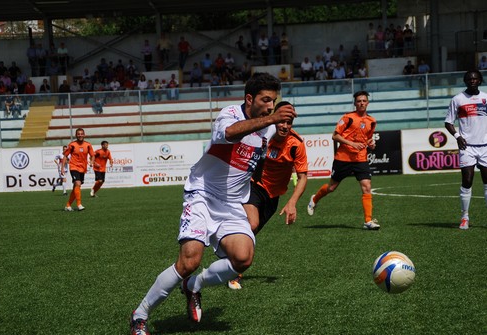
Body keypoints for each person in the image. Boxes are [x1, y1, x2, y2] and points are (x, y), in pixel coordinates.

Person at [129, 72, 297, 335]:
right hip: (202, 195)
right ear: (249, 98)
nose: (269, 105)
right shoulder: (230, 114)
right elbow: (229, 134)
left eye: (273, 101)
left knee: (243, 258)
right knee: (188, 262)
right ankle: (140, 315)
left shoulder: (269, 124)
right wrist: (273, 118)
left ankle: (194, 286)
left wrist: (284, 118)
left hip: (231, 203)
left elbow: (279, 127)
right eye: (265, 100)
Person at [227, 101, 308, 290]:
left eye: (289, 123)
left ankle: (229, 256)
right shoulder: (263, 135)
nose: (285, 126)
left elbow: (303, 177)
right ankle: (234, 273)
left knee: (250, 234)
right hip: (254, 186)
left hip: (274, 196)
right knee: (251, 225)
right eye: (282, 121)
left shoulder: (296, 144)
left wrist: (292, 203)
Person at [307, 90, 380, 230]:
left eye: (364, 101)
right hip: (343, 158)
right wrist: (352, 144)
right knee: (332, 187)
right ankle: (315, 199)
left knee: (367, 186)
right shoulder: (348, 118)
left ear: (368, 103)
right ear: (355, 103)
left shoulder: (372, 121)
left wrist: (371, 144)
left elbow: (369, 139)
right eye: (359, 101)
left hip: (361, 158)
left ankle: (368, 221)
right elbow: (335, 136)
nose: (362, 103)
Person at [444, 70, 487, 230]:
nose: (472, 80)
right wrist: (457, 136)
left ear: (480, 80)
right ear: (465, 81)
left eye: (475, 78)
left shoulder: (486, 98)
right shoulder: (458, 99)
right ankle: (464, 217)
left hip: (485, 146)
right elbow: (448, 122)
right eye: (469, 79)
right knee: (467, 181)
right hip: (466, 147)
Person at [62, 128, 95, 211]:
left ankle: (68, 205)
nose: (80, 135)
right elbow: (65, 156)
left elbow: (92, 155)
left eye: (81, 134)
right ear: (76, 135)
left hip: (83, 168)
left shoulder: (88, 145)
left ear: (84, 135)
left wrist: (91, 161)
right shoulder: (72, 144)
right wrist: (62, 168)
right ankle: (79, 204)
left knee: (76, 187)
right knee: (78, 183)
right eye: (78, 134)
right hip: (73, 166)